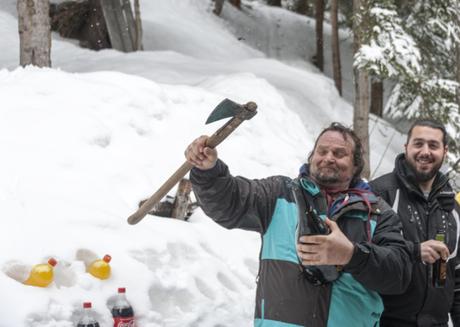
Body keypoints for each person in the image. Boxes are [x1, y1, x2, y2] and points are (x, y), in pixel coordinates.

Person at [186, 122, 412, 326]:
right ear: (311, 157)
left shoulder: (378, 212)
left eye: (339, 153)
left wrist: (352, 255)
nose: (329, 157)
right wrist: (208, 172)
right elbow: (229, 202)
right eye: (322, 151)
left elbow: (399, 275)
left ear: (355, 165)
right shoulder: (278, 194)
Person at [370, 119, 460, 326]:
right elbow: (361, 256)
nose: (425, 151)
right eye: (418, 143)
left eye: (433, 145)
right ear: (406, 147)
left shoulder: (453, 208)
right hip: (384, 321)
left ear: (445, 151)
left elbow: (457, 280)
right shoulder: (379, 194)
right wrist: (414, 250)